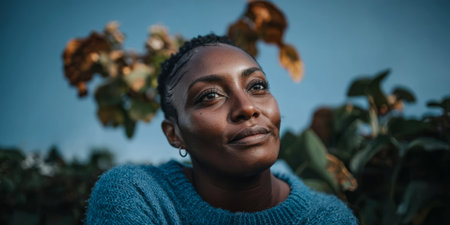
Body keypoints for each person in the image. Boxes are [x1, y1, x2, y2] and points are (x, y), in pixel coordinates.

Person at [86, 34, 358, 224]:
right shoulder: (138, 195)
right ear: (175, 134)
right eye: (210, 96)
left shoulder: (327, 217)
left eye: (257, 86)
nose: (247, 107)